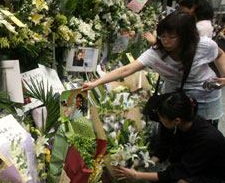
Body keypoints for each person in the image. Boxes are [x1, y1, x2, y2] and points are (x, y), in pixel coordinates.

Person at [82, 11, 225, 127]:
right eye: (162, 36)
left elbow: (220, 55)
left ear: (185, 37)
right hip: (173, 99)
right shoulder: (156, 52)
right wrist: (95, 83)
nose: (165, 41)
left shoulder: (204, 46)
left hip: (204, 96)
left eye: (171, 37)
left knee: (201, 133)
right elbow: (127, 70)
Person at [113, 92, 225, 183]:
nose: (160, 120)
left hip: (212, 176)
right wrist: (147, 162)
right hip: (192, 166)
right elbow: (163, 147)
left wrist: (137, 175)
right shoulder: (179, 124)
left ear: (177, 120)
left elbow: (177, 172)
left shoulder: (206, 139)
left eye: (161, 117)